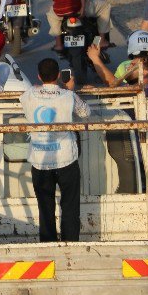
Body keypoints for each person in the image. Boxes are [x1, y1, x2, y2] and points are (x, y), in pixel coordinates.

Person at [20, 58, 90, 242]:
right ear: (59, 75)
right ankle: (70, 245)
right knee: (70, 207)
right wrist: (70, 89)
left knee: (45, 209)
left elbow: (25, 99)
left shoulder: (28, 95)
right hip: (66, 159)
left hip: (40, 160)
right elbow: (85, 112)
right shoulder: (68, 96)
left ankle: (48, 246)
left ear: (38, 76)